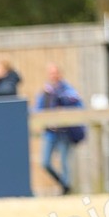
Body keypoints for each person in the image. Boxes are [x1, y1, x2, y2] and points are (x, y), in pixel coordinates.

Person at [34, 64, 83, 194]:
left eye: (55, 73)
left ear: (60, 74)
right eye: (51, 73)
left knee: (64, 162)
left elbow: (78, 106)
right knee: (45, 162)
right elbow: (37, 109)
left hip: (65, 132)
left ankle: (66, 190)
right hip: (50, 132)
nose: (53, 75)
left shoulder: (68, 90)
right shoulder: (45, 92)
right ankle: (64, 185)